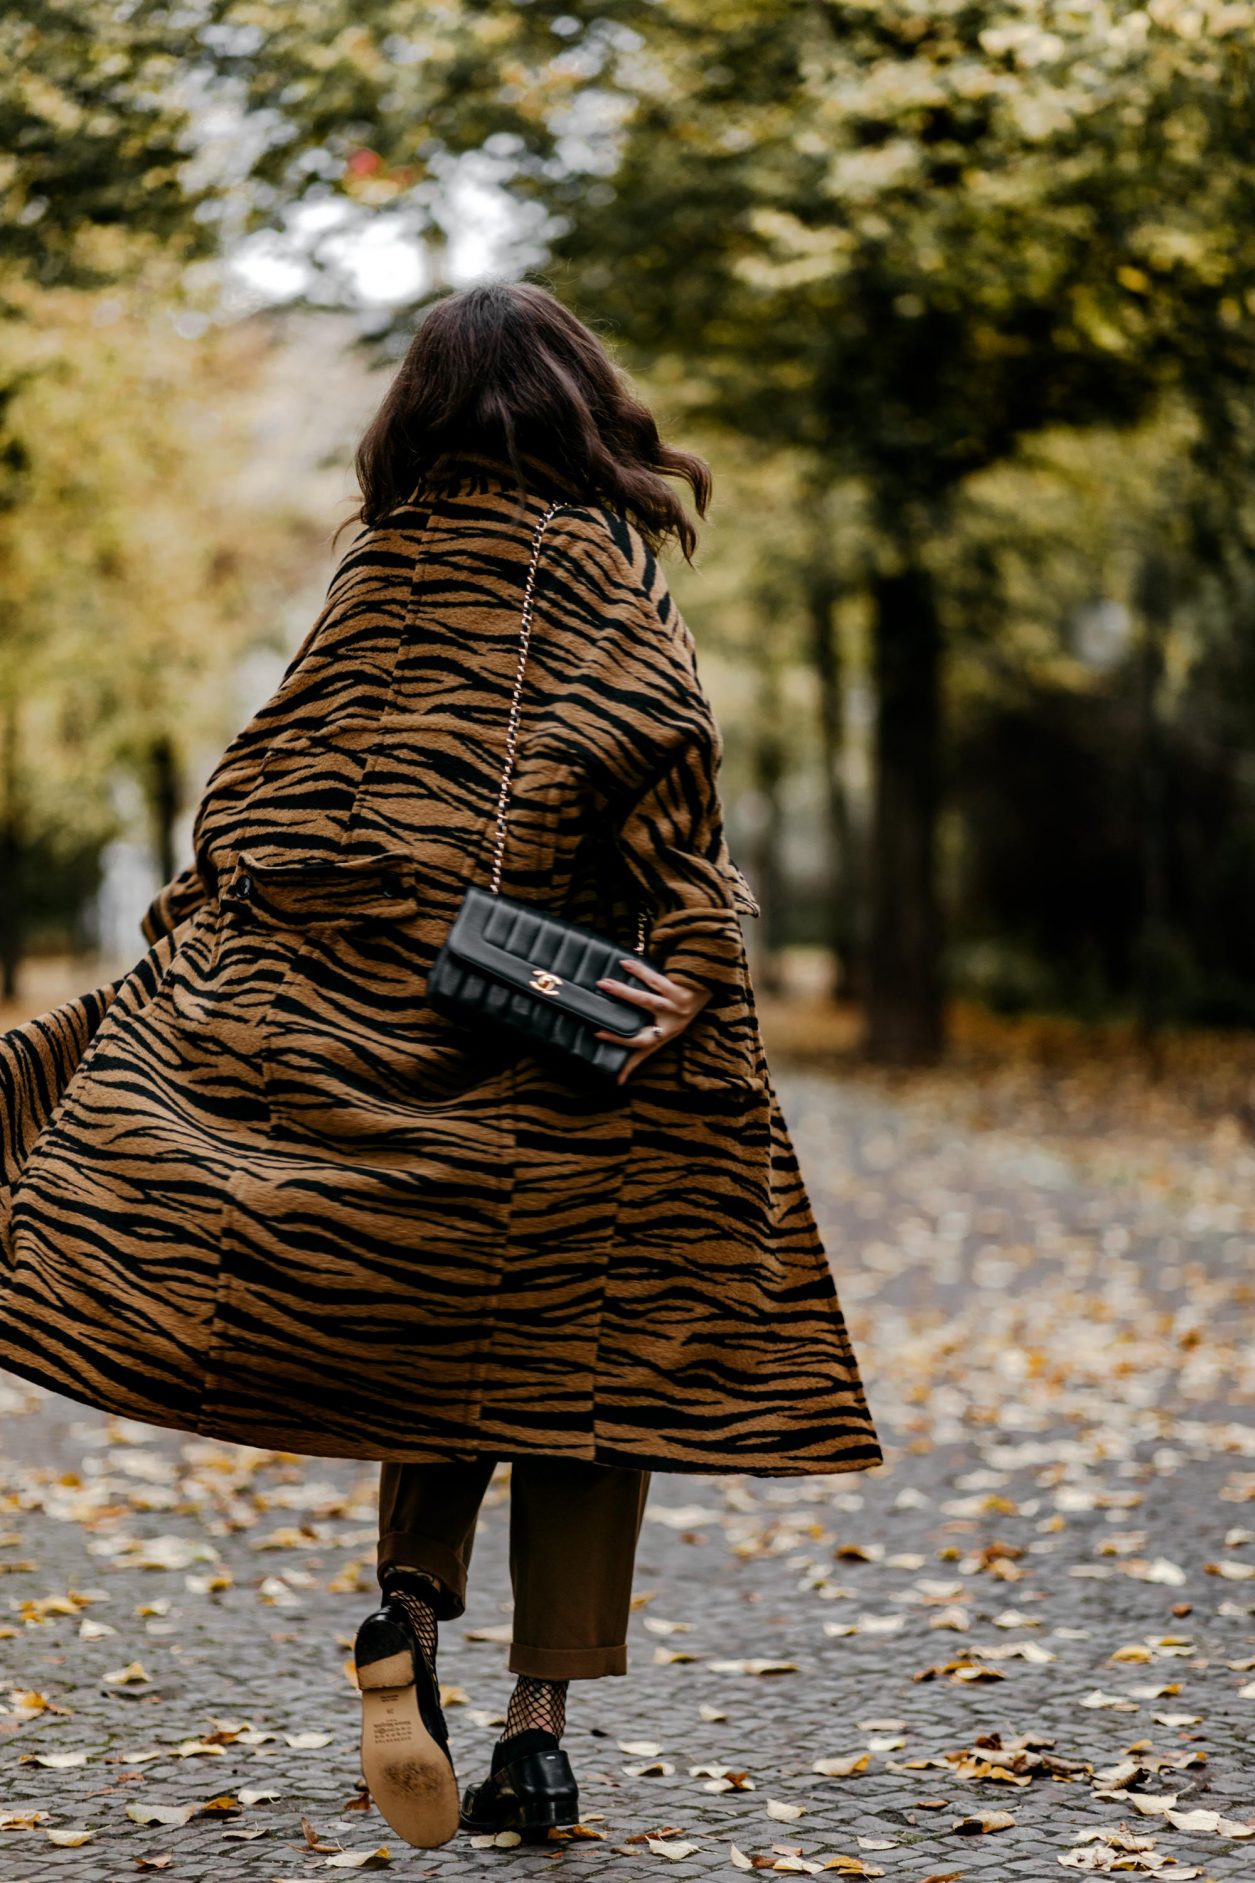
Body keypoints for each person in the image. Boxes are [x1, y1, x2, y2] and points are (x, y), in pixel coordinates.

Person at [0, 280, 881, 1851]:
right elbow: (670, 784)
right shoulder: (598, 573)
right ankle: (539, 1734)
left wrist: (210, 970)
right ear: (580, 410)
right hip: (557, 1024)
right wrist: (692, 967)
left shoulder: (376, 578)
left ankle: (407, 1611)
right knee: (576, 1365)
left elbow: (255, 796)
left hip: (387, 1022)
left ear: (412, 419)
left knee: (432, 1314)